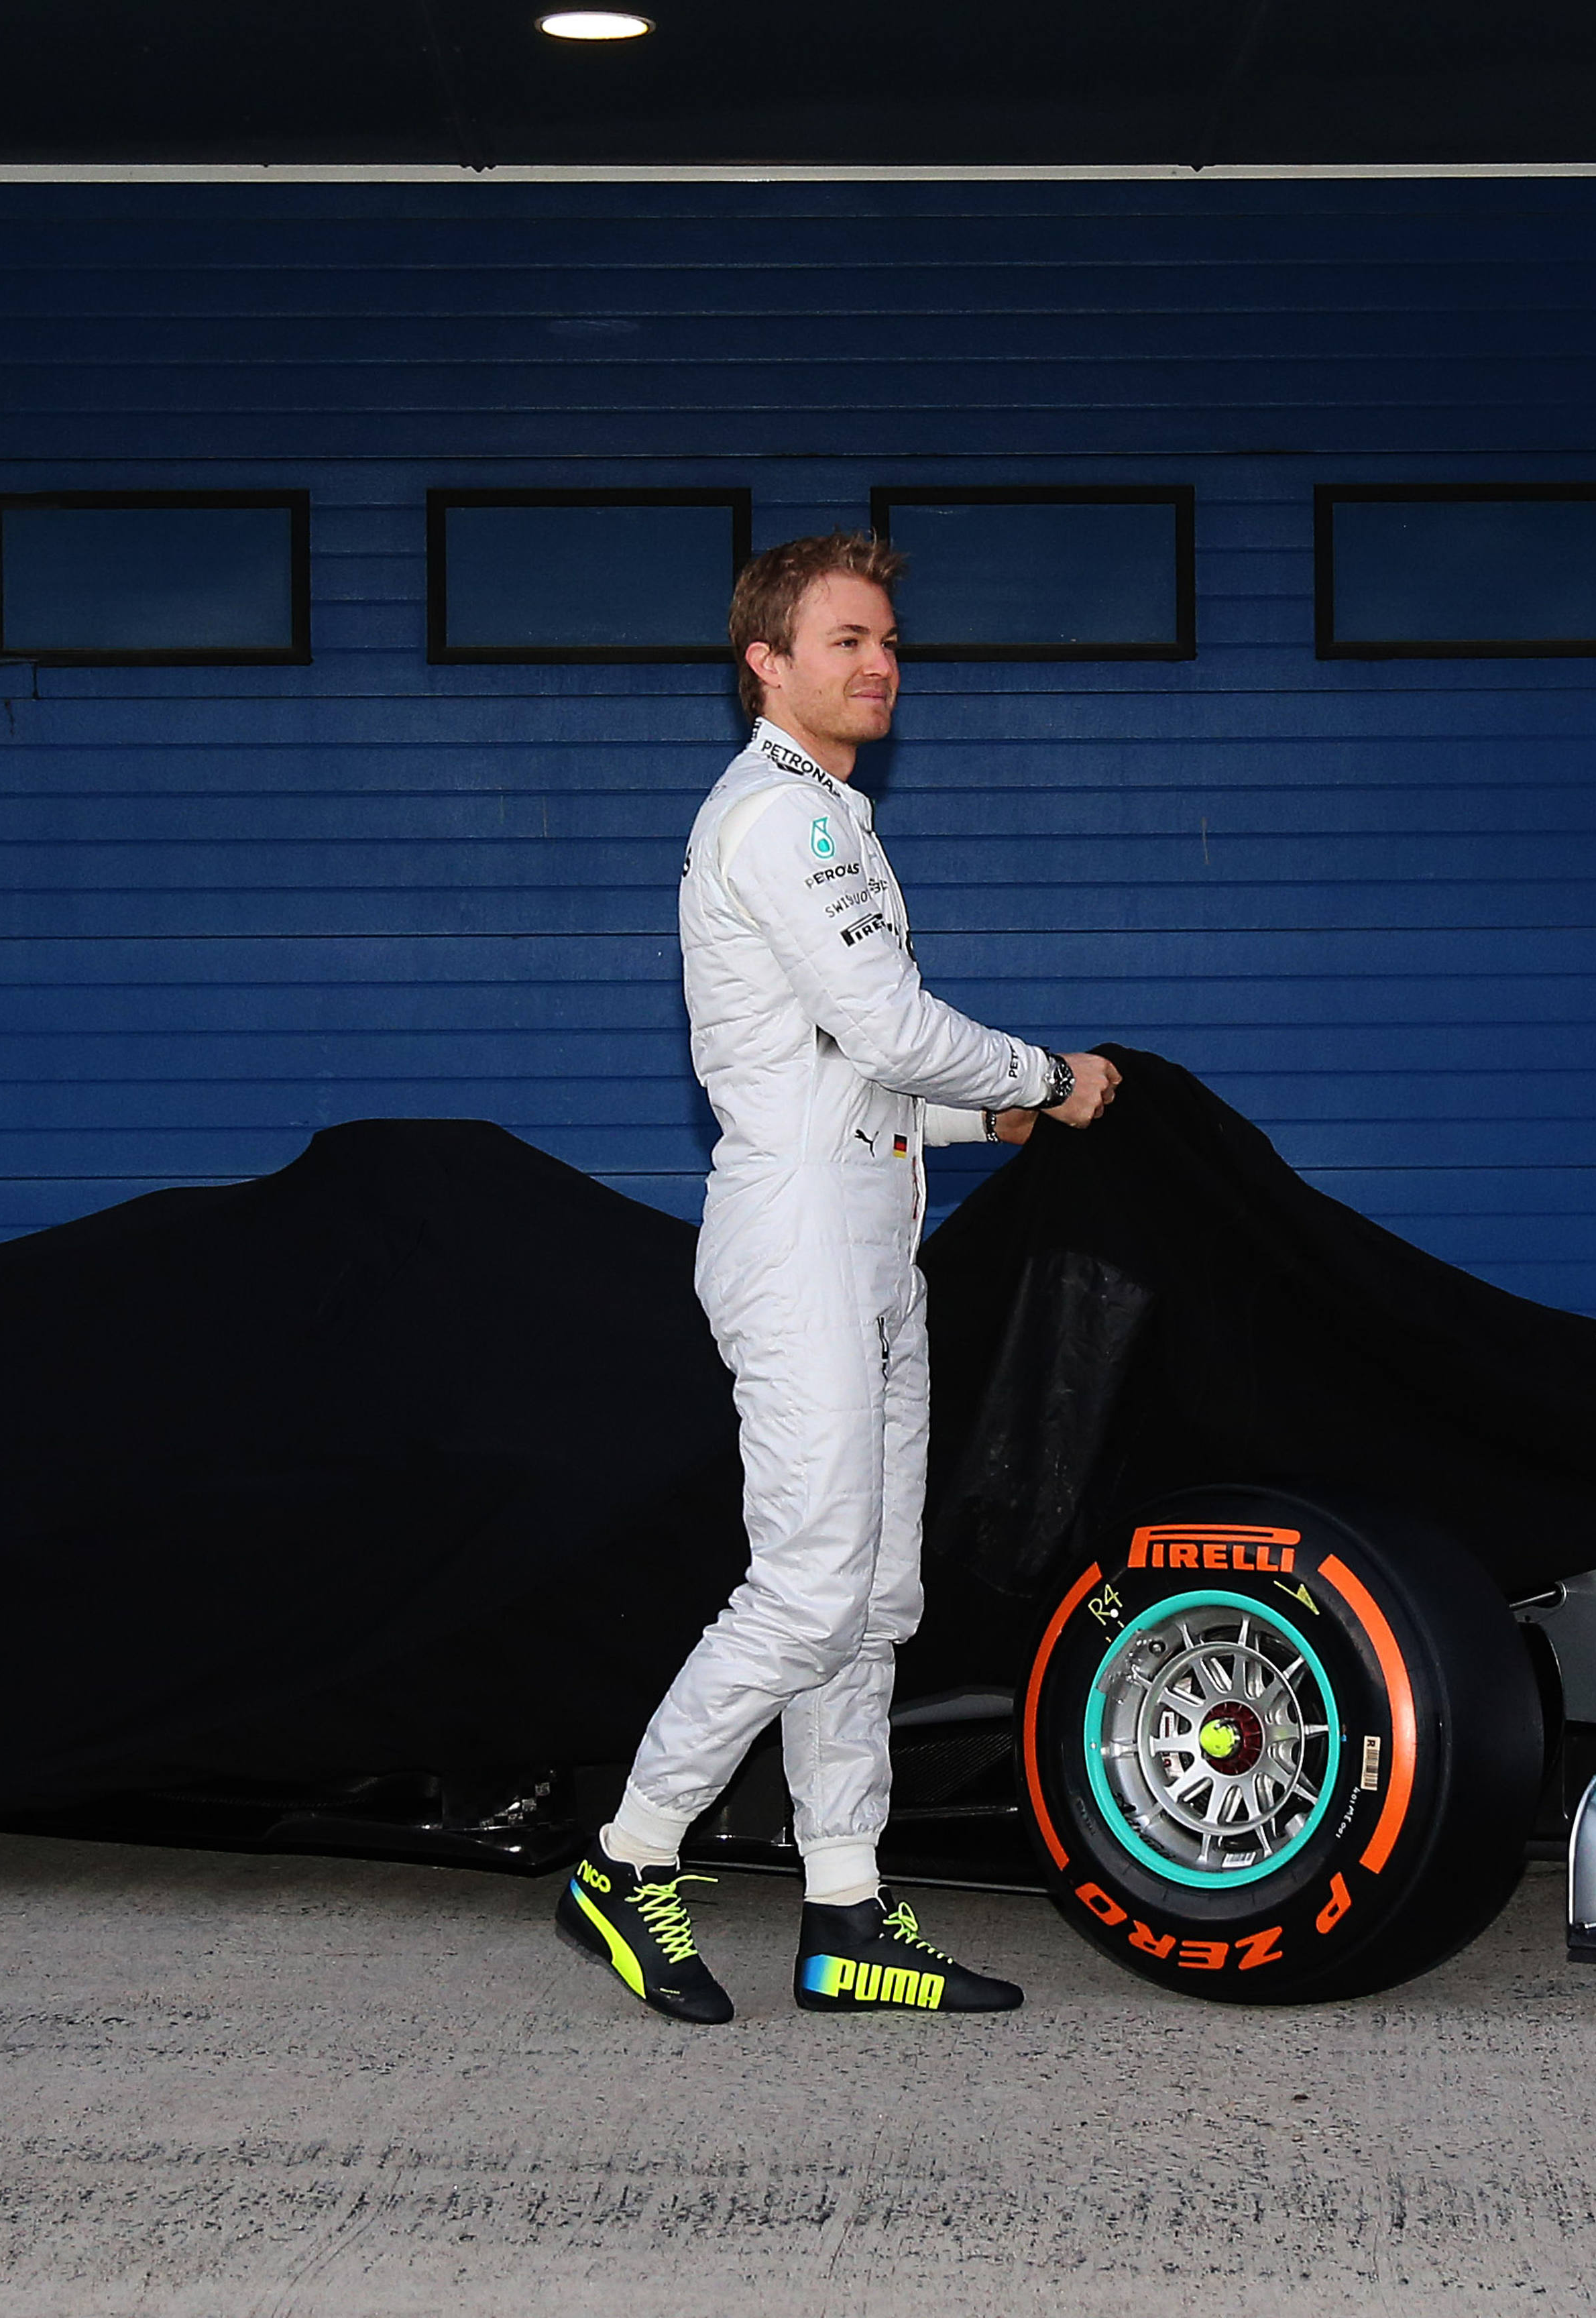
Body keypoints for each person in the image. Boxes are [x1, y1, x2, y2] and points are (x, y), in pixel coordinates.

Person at [555, 533, 1119, 2024]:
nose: (880, 665)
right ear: (767, 663)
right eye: (846, 641)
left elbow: (846, 1068)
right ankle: (626, 1856)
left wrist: (982, 1118)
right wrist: (1046, 1078)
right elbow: (888, 1024)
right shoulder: (780, 821)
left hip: (866, 1233)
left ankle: (846, 1910)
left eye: (888, 641)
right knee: (807, 1590)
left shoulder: (833, 817)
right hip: (800, 1240)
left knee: (871, 1599)